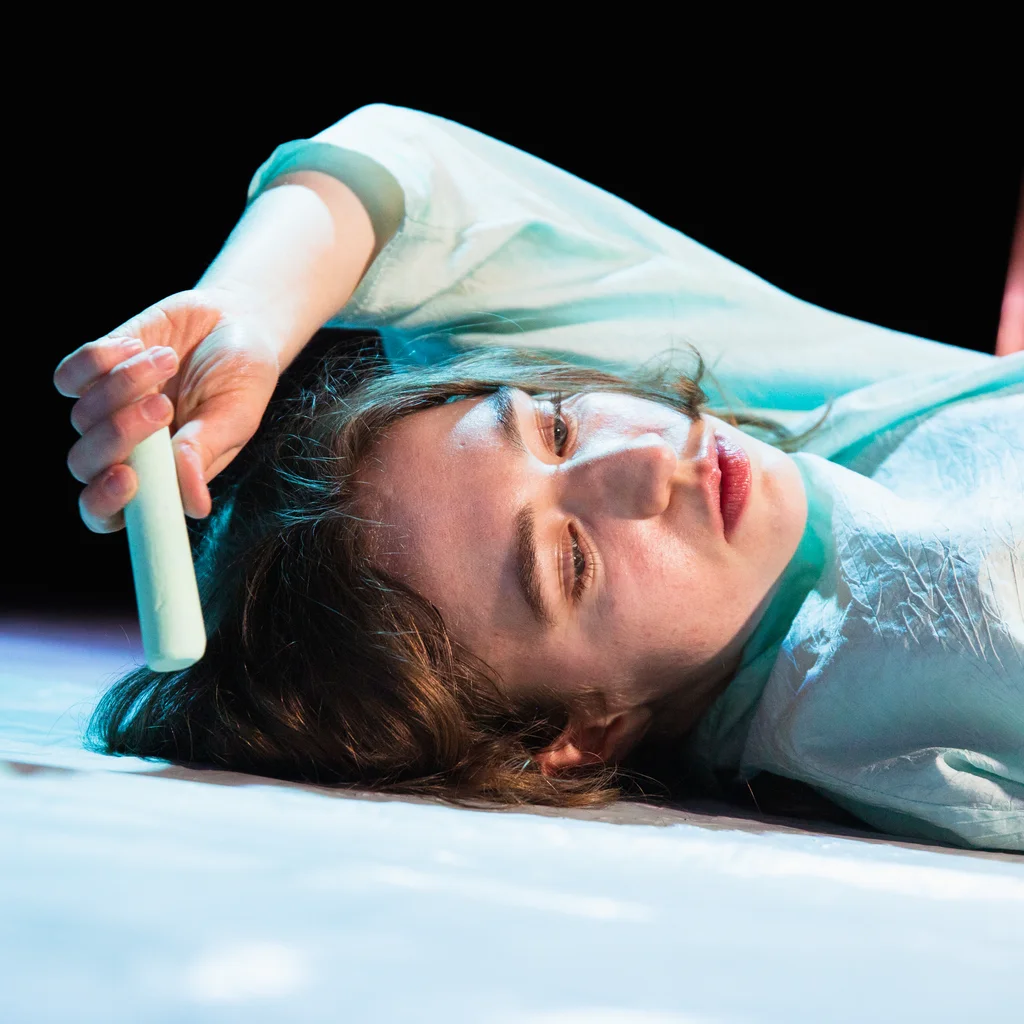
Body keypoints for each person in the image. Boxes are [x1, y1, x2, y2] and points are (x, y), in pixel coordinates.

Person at [54, 105, 1023, 850]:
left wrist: (248, 312)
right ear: (577, 736)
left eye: (553, 425)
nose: (645, 461)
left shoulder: (739, 458)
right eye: (571, 559)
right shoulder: (916, 658)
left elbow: (409, 172)